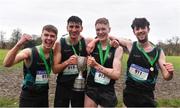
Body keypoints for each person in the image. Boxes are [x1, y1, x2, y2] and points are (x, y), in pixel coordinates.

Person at [116, 18, 174, 107]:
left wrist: (170, 72)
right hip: (130, 96)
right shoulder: (131, 45)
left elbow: (166, 76)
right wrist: (95, 41)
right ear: (134, 32)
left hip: (147, 97)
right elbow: (113, 38)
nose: (140, 31)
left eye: (143, 28)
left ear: (148, 29)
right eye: (137, 29)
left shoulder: (158, 52)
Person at [3, 24, 58, 107]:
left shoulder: (53, 53)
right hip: (28, 97)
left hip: (44, 95)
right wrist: (18, 44)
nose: (49, 38)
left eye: (52, 36)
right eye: (46, 35)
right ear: (41, 36)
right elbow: (7, 63)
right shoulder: (30, 52)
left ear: (56, 38)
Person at [53, 16, 94, 107]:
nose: (74, 30)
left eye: (77, 27)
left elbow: (103, 37)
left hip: (80, 85)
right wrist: (67, 62)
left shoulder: (87, 41)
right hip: (63, 86)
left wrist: (97, 41)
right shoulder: (60, 43)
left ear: (81, 28)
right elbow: (55, 69)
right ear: (67, 28)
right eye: (71, 26)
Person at [84, 17, 123, 107]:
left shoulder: (117, 48)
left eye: (103, 29)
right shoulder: (91, 44)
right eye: (98, 30)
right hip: (92, 87)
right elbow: (78, 36)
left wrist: (96, 65)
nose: (100, 32)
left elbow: (116, 75)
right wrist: (95, 40)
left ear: (109, 29)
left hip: (107, 89)